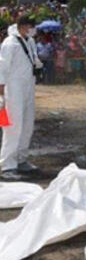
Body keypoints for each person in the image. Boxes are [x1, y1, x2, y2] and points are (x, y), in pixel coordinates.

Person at [0, 16, 43, 180]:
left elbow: (32, 58)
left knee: (27, 124)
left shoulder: (29, 41)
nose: (33, 29)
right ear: (21, 26)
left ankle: (21, 159)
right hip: (14, 87)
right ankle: (7, 164)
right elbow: (2, 68)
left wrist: (37, 63)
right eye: (30, 26)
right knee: (13, 126)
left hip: (28, 86)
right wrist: (1, 94)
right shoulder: (10, 43)